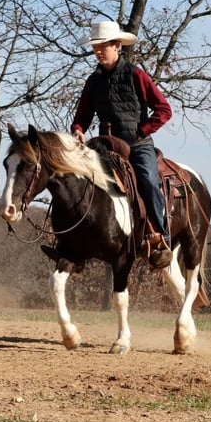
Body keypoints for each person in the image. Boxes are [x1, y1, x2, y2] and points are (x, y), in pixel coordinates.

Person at [71, 20, 173, 269]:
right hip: (104, 146)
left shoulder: (135, 74)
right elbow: (82, 116)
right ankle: (74, 243)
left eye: (102, 46)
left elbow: (163, 109)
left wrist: (141, 131)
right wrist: (77, 131)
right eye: (95, 47)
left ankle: (161, 238)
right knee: (75, 181)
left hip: (137, 145)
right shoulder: (92, 82)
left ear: (117, 45)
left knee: (148, 181)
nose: (97, 51)